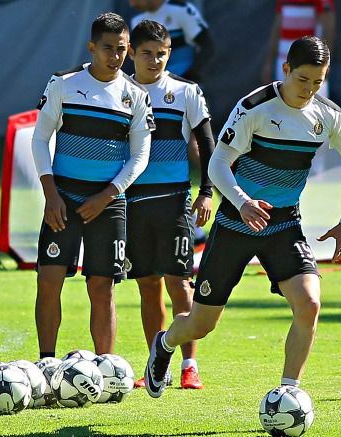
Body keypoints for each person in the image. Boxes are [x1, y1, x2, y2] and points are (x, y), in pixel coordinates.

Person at [144, 36, 341, 398]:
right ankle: (166, 343)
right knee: (201, 324)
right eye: (302, 80)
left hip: (283, 224)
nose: (309, 90)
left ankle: (288, 393)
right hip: (235, 222)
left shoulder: (327, 115)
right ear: (286, 70)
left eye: (317, 82)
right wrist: (244, 202)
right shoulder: (255, 107)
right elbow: (217, 163)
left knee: (309, 304)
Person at [32, 12, 155, 358]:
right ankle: (46, 364)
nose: (115, 57)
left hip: (108, 202)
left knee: (102, 288)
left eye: (121, 49)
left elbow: (140, 154)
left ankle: (104, 368)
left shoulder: (136, 95)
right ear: (91, 47)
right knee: (48, 280)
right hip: (64, 199)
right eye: (107, 49)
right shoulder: (63, 84)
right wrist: (51, 193)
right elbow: (41, 139)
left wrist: (107, 194)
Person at [126, 20, 214, 390]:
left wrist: (207, 191)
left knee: (179, 283)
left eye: (161, 54)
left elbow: (208, 143)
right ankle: (155, 363)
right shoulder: (118, 90)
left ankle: (189, 364)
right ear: (131, 52)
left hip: (174, 200)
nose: (154, 61)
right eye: (147, 53)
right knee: (147, 283)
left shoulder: (185, 91)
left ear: (169, 54)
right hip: (130, 201)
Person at [129, 0, 215, 83]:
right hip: (154, 86)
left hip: (184, 84)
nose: (131, 4)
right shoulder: (137, 22)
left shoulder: (180, 10)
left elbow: (207, 46)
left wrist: (190, 75)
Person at [262, 0, 335, 97]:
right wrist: (269, 62)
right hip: (284, 64)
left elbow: (328, 28)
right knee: (284, 106)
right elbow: (277, 27)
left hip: (311, 66)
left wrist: (324, 63)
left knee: (314, 109)